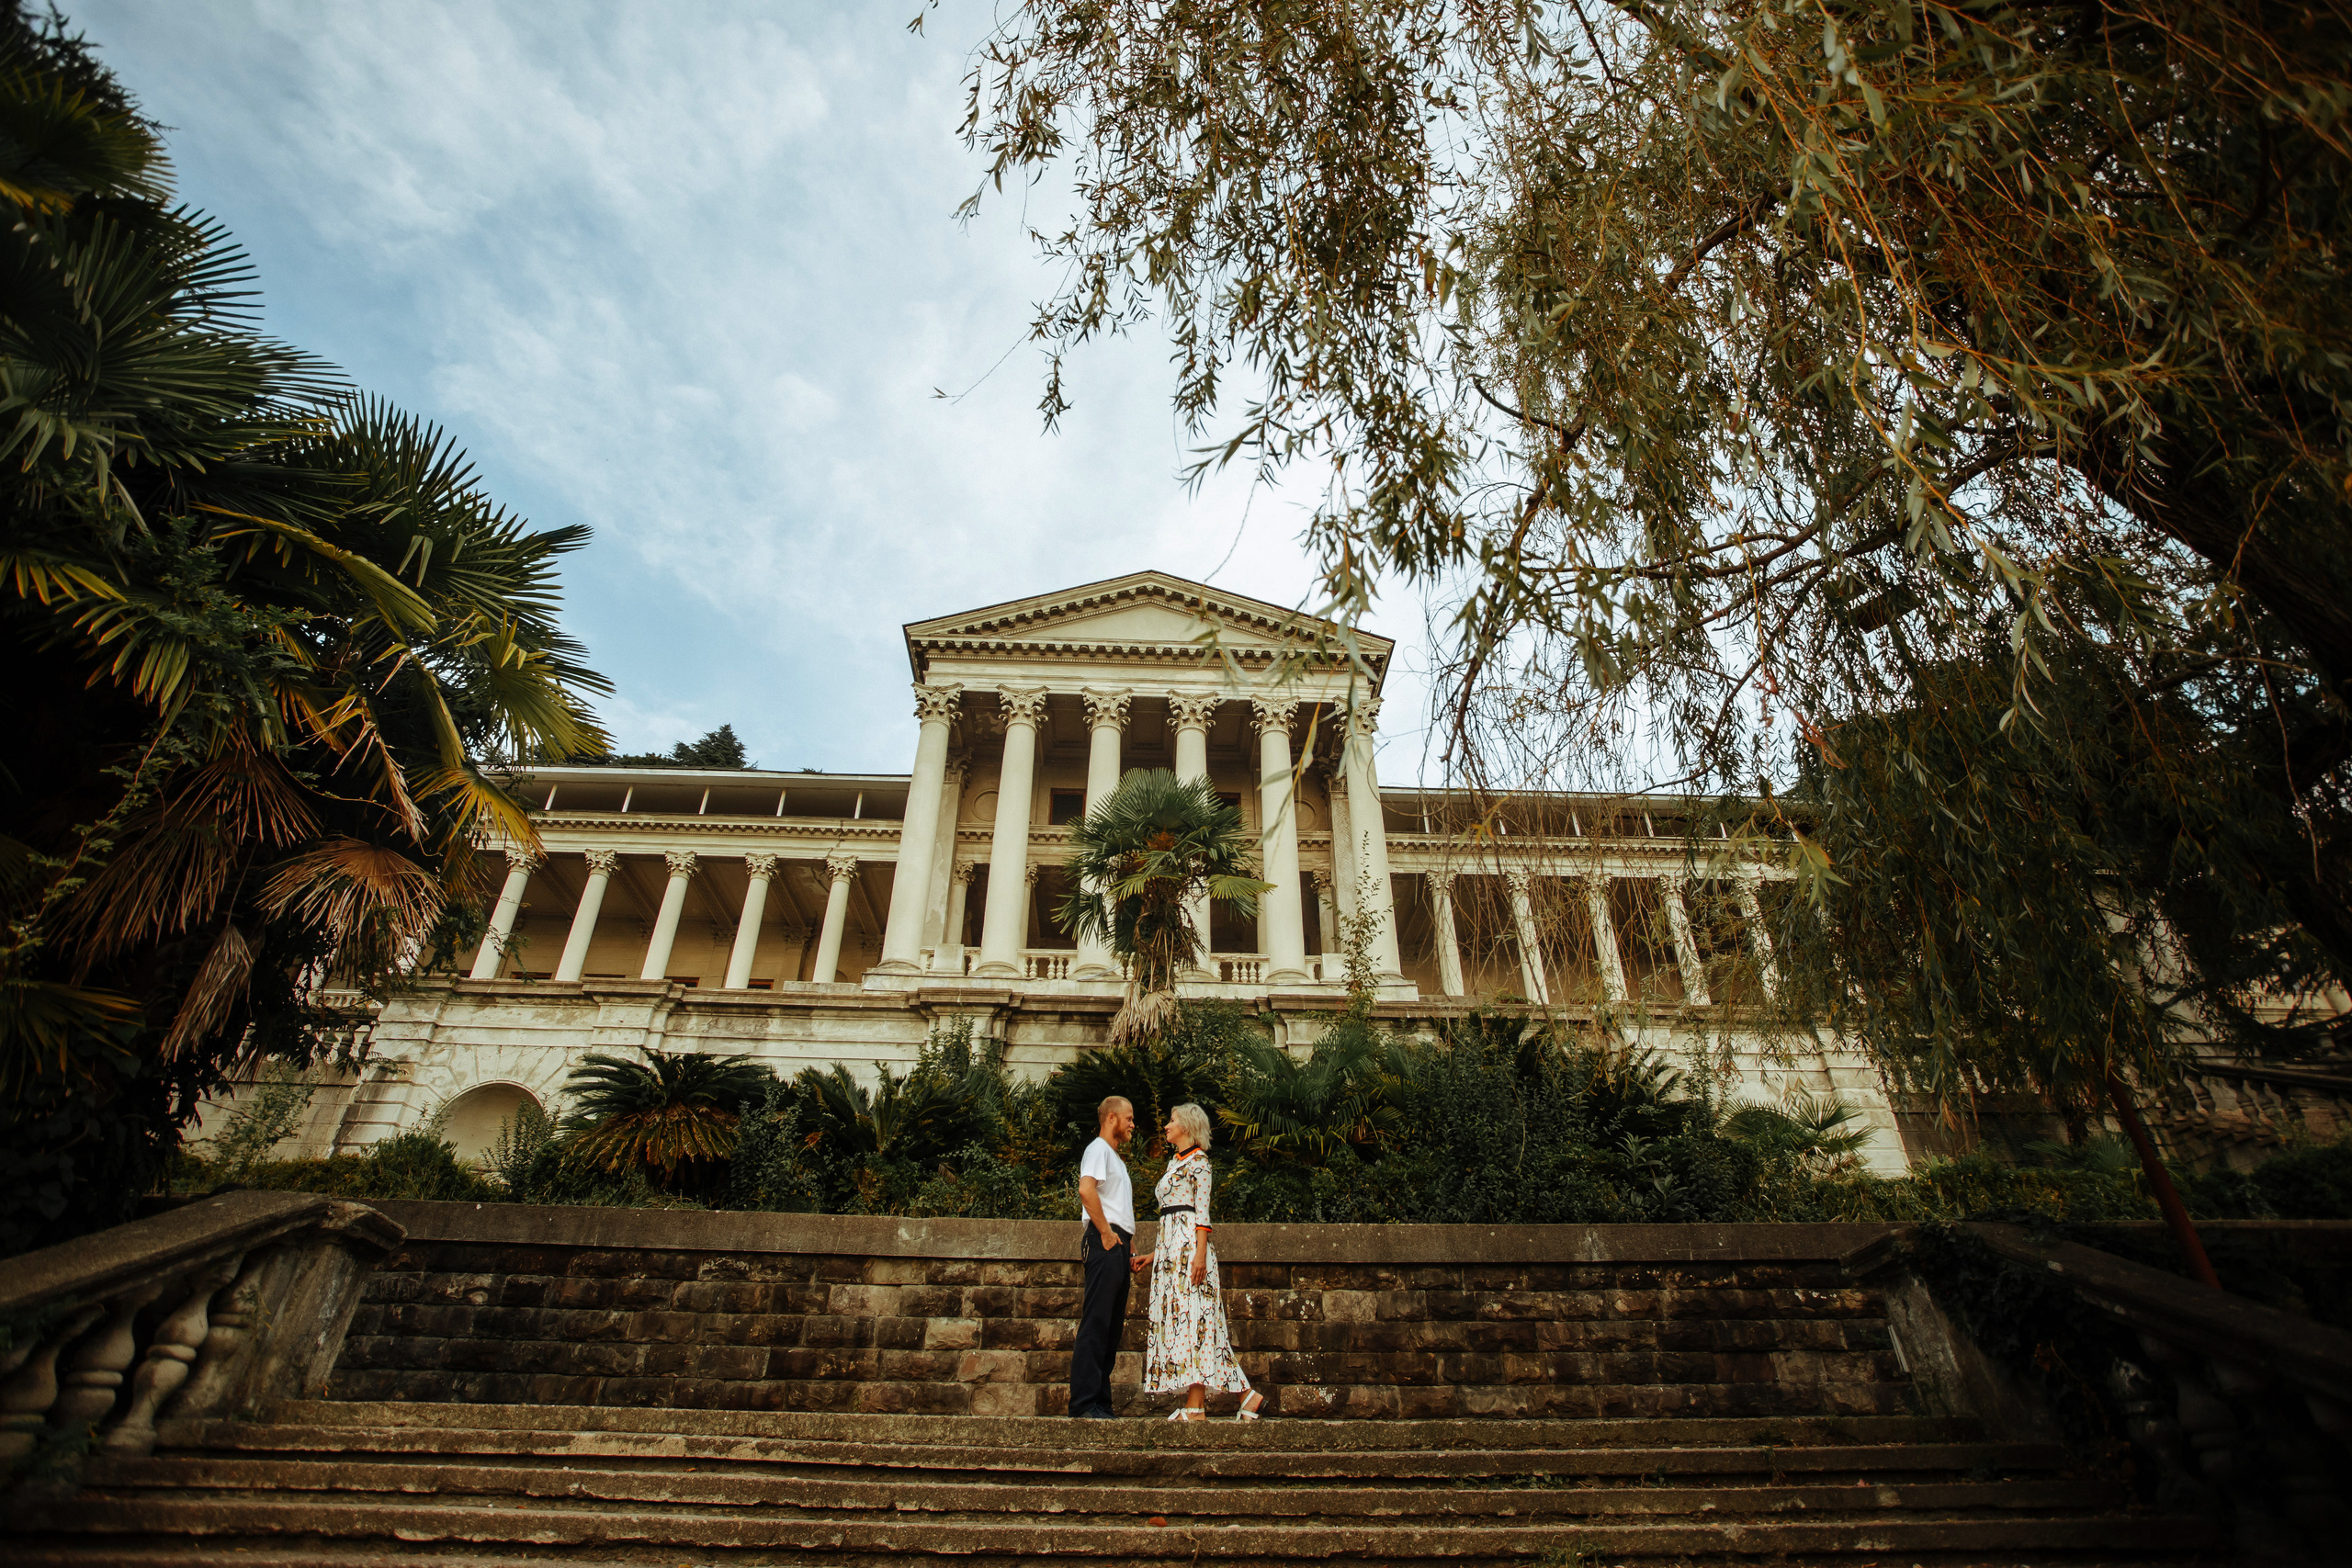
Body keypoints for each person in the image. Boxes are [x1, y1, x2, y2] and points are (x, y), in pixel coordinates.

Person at [1137, 1101, 1266, 1421]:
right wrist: (1155, 1255)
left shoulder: (1200, 1163)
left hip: (1190, 1256)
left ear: (1186, 1126)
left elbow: (1201, 1215)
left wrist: (1199, 1256)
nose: (1166, 1126)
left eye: (1172, 1120)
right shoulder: (1175, 1163)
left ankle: (1197, 1407)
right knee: (1197, 1326)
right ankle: (1245, 1396)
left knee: (1196, 1324)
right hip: (1171, 1257)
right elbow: (1171, 1219)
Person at [1069, 1094, 1136, 1418]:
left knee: (1110, 1329)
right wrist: (1107, 1233)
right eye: (1129, 1118)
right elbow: (1086, 1190)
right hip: (1103, 1242)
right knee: (1096, 1323)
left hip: (1119, 1245)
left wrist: (1129, 1246)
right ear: (1111, 1118)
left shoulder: (1115, 1157)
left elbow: (1117, 1206)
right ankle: (1084, 1405)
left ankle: (1100, 1403)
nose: (1133, 1124)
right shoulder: (1098, 1149)